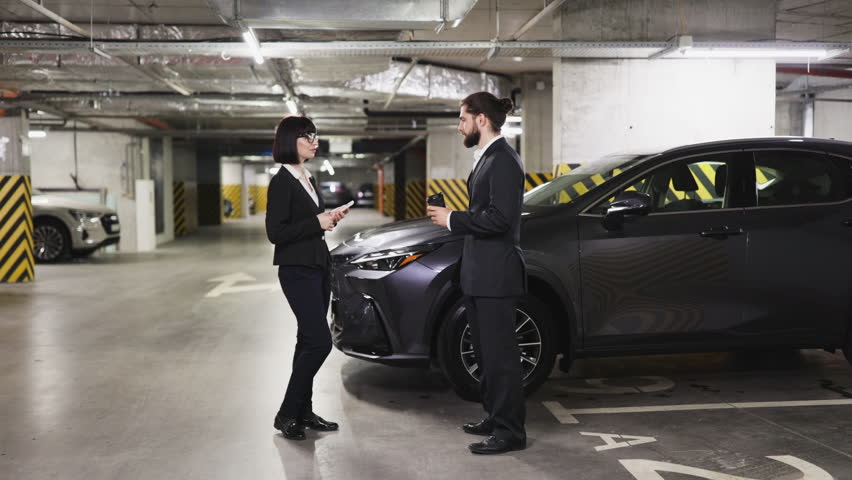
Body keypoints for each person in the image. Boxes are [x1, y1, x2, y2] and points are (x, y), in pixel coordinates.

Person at [426, 92, 527, 454]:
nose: (459, 126)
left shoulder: (503, 160)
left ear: (481, 119)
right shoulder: (487, 158)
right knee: (485, 353)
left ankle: (511, 431)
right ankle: (494, 416)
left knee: (500, 357)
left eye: (462, 119)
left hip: (496, 275)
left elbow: (501, 218)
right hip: (480, 273)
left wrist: (452, 218)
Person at [265, 115, 348, 440]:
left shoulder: (306, 177)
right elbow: (276, 233)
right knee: (319, 341)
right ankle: (286, 413)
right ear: (290, 141)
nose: (314, 141)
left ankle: (303, 411)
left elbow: (311, 222)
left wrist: (329, 219)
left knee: (306, 341)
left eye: (314, 136)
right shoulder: (282, 181)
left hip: (317, 265)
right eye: (307, 136)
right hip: (296, 270)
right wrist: (317, 222)